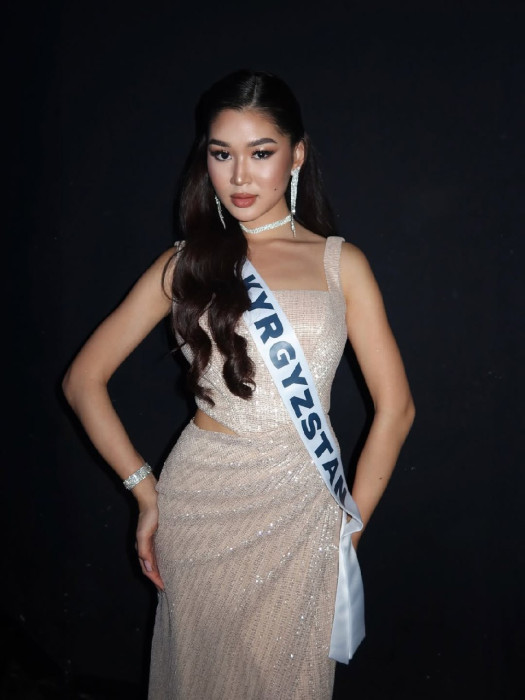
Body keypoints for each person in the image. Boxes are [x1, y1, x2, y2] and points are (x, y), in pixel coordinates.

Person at [63, 69, 415, 699]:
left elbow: (397, 409)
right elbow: (83, 380)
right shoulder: (185, 262)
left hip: (304, 509)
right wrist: (145, 492)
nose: (240, 176)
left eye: (261, 152)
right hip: (200, 506)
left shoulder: (342, 264)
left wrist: (350, 527)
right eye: (222, 154)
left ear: (297, 155)